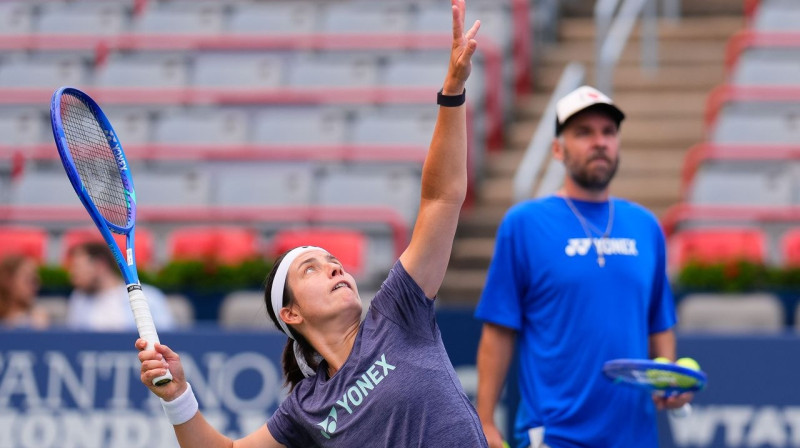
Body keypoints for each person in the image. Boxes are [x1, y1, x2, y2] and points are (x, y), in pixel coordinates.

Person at [136, 1, 486, 446]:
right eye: (312, 269)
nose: (336, 268)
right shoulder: (305, 410)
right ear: (291, 313)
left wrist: (452, 91)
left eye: (333, 261)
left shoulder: (398, 312)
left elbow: (441, 197)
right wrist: (177, 397)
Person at [474, 85, 692, 448]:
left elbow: (659, 325)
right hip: (553, 436)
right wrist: (483, 421)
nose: (600, 142)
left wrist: (667, 381)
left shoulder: (646, 225)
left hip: (635, 438)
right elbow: (498, 333)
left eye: (608, 132)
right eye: (584, 133)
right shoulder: (524, 224)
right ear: (557, 149)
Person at [66, 241, 175, 331]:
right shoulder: (78, 299)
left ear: (100, 265)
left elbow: (167, 339)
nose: (72, 274)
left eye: (77, 266)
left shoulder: (149, 297)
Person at [0, 254, 49, 329]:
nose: (35, 287)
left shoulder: (38, 319)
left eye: (36, 281)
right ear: (7, 280)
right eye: (28, 280)